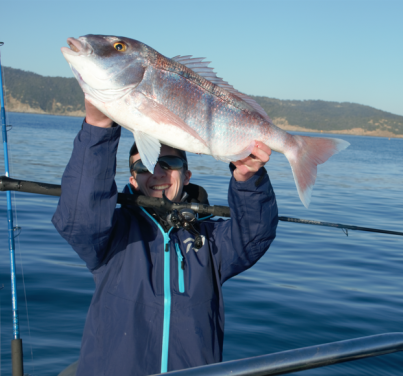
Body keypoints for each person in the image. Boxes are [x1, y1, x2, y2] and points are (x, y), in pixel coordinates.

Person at [52, 100, 278, 376]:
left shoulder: (211, 240)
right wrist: (98, 128)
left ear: (187, 174)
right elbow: (80, 217)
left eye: (168, 163)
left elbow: (255, 234)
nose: (157, 173)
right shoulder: (112, 232)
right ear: (132, 181)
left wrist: (248, 179)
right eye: (143, 166)